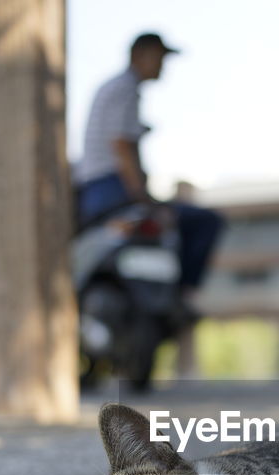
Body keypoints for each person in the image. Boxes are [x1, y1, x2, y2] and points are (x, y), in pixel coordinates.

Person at [75, 32, 225, 294]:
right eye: (158, 58)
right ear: (139, 55)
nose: (162, 66)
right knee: (204, 222)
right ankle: (180, 294)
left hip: (98, 188)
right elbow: (120, 145)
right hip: (111, 187)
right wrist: (141, 197)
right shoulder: (126, 88)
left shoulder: (115, 88)